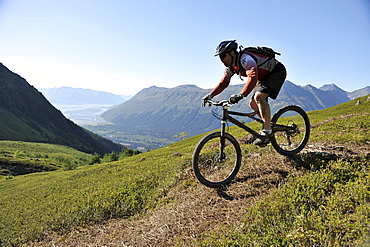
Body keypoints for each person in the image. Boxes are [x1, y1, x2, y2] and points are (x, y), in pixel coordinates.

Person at [202, 40, 287, 146]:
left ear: (233, 53)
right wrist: (210, 95)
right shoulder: (230, 67)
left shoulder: (246, 59)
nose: (221, 60)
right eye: (220, 57)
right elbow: (223, 82)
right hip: (263, 77)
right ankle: (269, 125)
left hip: (276, 71)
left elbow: (252, 77)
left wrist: (241, 94)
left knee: (259, 97)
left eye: (223, 56)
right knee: (253, 104)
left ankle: (267, 131)